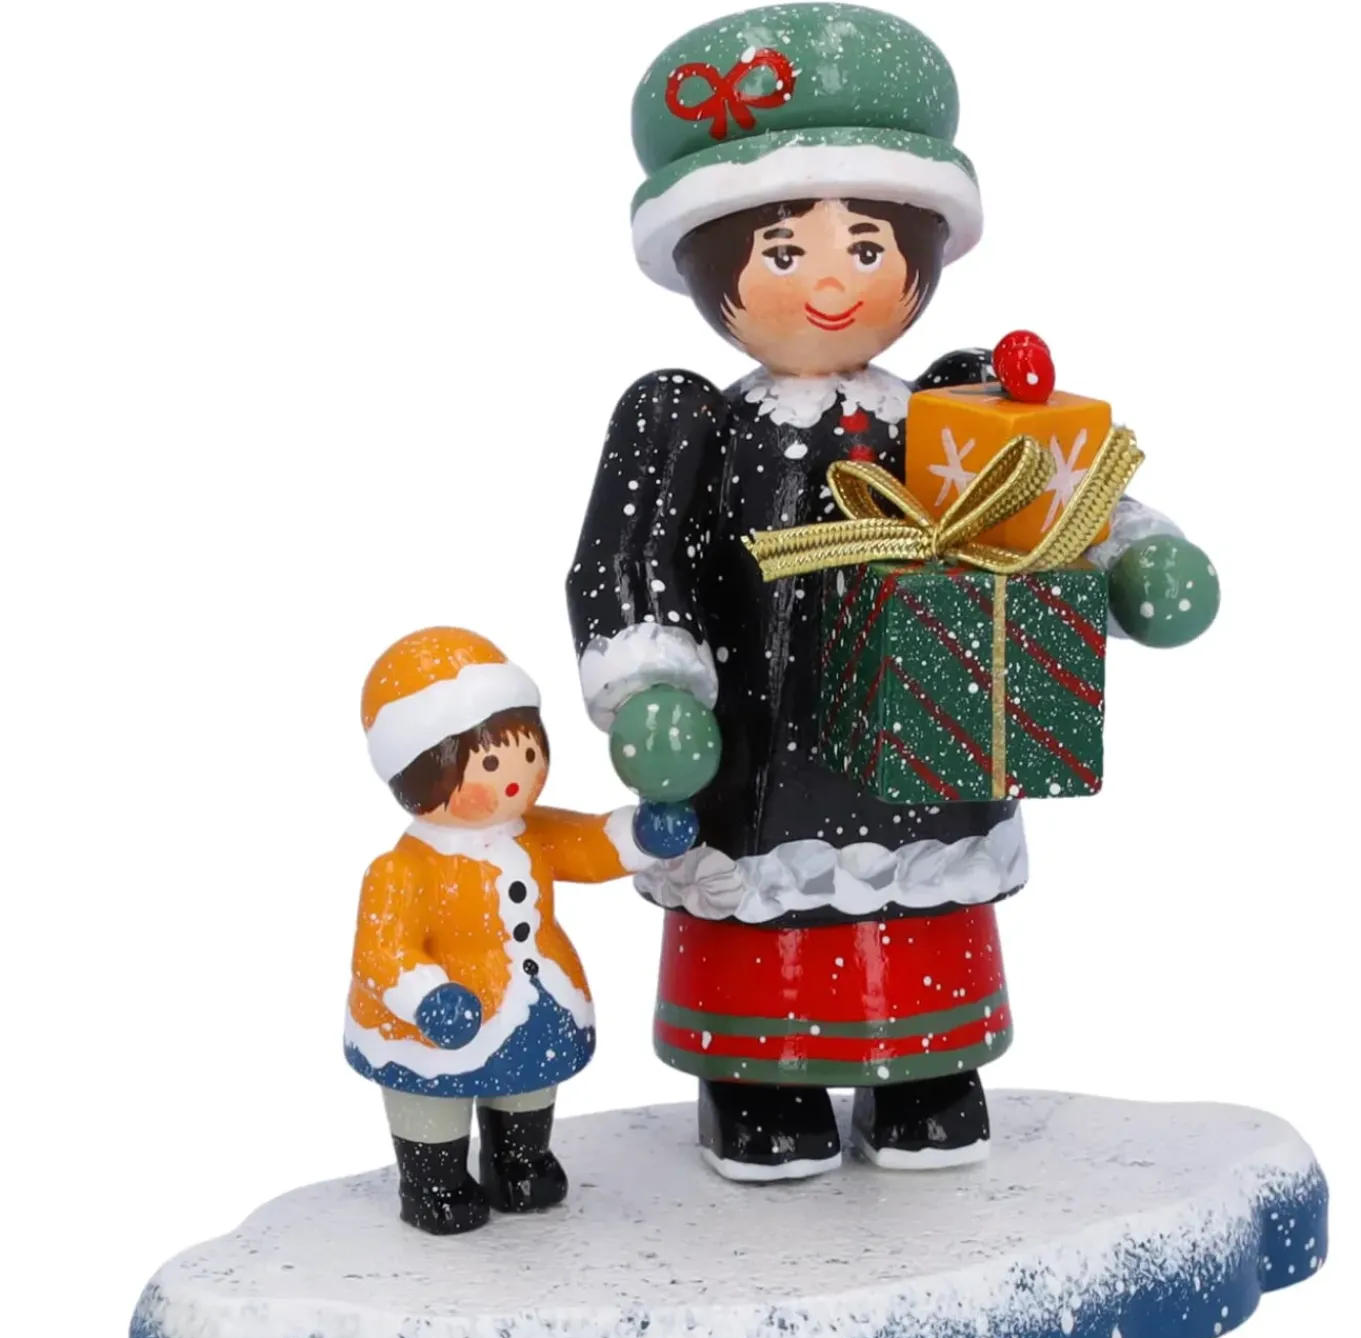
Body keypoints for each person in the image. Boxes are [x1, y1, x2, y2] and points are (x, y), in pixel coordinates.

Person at [566, 5, 1218, 1183]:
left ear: (920, 254)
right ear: (708, 267)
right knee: (760, 892)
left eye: (865, 247)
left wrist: (1125, 552)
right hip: (761, 740)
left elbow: (1042, 490)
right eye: (782, 252)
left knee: (921, 881)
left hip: (926, 733)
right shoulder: (687, 420)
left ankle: (925, 1068)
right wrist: (651, 687)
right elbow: (630, 554)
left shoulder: (951, 413)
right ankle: (757, 1079)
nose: (830, 281)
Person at [345, 626, 692, 1233]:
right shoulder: (403, 869)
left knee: (527, 1088)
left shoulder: (533, 833)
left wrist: (642, 835)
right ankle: (433, 1182)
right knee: (433, 1102)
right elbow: (381, 951)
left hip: (534, 1002)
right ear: (424, 774)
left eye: (528, 753)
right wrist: (427, 996)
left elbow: (589, 844)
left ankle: (520, 1161)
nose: (516, 776)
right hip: (434, 1025)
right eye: (490, 762)